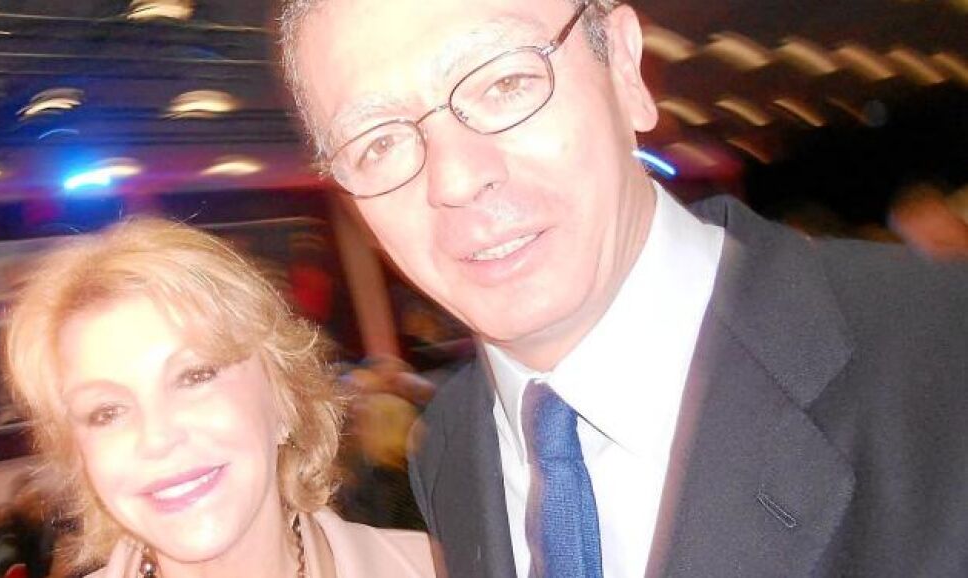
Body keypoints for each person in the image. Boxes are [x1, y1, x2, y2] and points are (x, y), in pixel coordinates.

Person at [278, 0, 968, 577]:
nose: (455, 179)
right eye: (377, 142)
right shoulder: (450, 447)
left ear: (625, 69)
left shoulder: (941, 351)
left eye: (504, 82)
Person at [0, 218, 435, 578]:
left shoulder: (440, 566)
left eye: (195, 376)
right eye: (106, 412)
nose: (157, 438)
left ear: (284, 399)